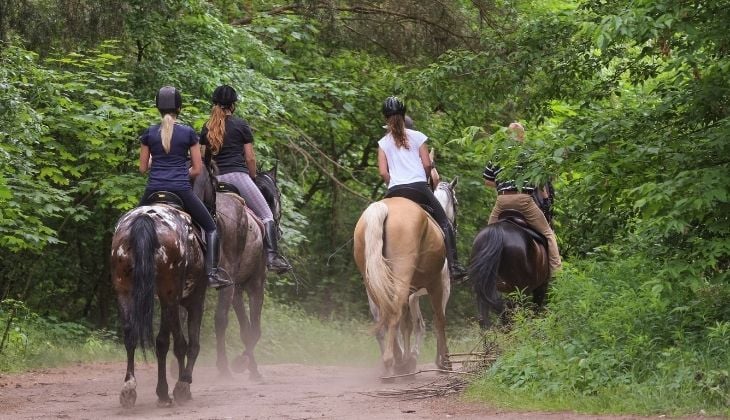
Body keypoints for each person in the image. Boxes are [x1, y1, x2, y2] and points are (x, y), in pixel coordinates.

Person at [138, 86, 231, 289]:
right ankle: (213, 273)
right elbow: (197, 170)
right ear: (179, 108)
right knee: (211, 227)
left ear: (158, 109)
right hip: (180, 190)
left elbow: (143, 168)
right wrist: (180, 174)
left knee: (129, 223)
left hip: (152, 189)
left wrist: (157, 162)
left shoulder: (149, 133)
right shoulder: (188, 133)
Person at [199, 84, 291, 274]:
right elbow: (250, 158)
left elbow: (203, 159)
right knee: (267, 215)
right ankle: (273, 258)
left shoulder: (207, 127)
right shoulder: (241, 125)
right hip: (238, 176)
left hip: (214, 180)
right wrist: (252, 176)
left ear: (215, 104)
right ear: (232, 105)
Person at [377, 96, 467, 281]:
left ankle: (372, 268)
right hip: (418, 188)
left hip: (395, 190)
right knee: (444, 222)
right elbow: (427, 165)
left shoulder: (383, 143)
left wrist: (392, 185)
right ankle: (454, 266)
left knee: (377, 222)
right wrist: (424, 180)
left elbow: (383, 173)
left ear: (386, 118)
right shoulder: (418, 137)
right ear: (403, 115)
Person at [482, 122, 562, 273]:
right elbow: (541, 181)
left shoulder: (498, 153)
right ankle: (557, 274)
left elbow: (487, 180)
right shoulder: (530, 153)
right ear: (522, 136)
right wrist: (544, 199)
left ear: (507, 136)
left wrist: (501, 185)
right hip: (524, 201)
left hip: (502, 202)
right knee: (548, 234)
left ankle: (482, 270)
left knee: (487, 235)